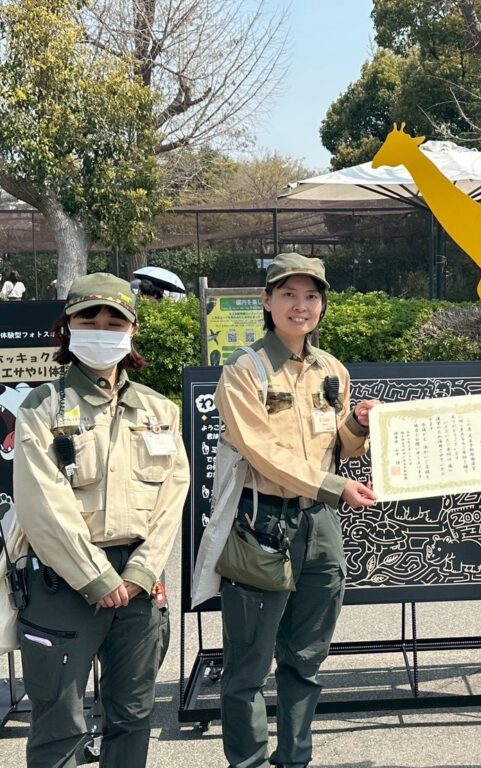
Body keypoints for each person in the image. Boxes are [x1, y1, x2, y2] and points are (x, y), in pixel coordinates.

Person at [203, 252, 379, 768]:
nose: (300, 306)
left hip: (321, 525)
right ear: (266, 301)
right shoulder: (244, 370)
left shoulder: (333, 370)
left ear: (321, 305)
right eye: (288, 294)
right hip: (261, 521)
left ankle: (295, 759)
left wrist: (360, 424)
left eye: (311, 296)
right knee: (248, 667)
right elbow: (261, 452)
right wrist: (334, 486)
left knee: (306, 660)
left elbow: (342, 446)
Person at [9, 273, 190, 767]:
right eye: (89, 320)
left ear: (132, 332)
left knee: (133, 715)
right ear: (67, 327)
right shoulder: (42, 407)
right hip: (62, 579)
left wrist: (142, 570)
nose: (102, 330)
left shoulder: (158, 409)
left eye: (115, 322)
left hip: (139, 582)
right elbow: (42, 501)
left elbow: (172, 496)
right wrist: (95, 575)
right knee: (58, 721)